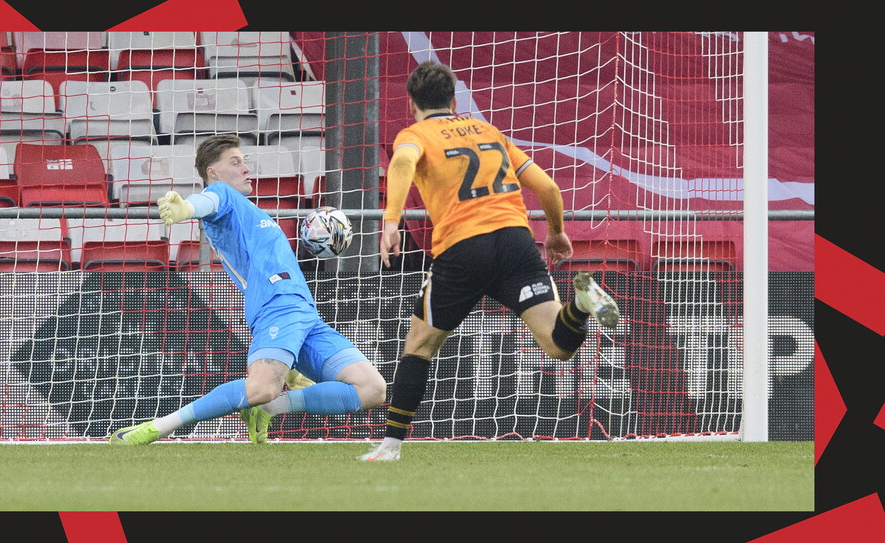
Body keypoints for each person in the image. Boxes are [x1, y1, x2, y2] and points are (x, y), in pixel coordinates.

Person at [358, 61, 620, 461]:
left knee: (419, 346)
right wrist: (556, 232)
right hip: (516, 241)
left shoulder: (415, 135)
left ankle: (391, 446)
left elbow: (403, 162)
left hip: (463, 247)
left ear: (412, 103)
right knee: (557, 344)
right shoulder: (489, 132)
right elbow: (549, 187)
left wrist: (391, 220)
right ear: (454, 101)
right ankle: (582, 304)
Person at [109, 134, 386, 445]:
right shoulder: (222, 194)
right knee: (260, 388)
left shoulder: (248, 213)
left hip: (305, 314)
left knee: (372, 389)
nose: (245, 168)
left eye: (244, 161)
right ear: (212, 172)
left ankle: (270, 408)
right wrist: (186, 208)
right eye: (235, 162)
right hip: (277, 305)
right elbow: (207, 201)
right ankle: (159, 427)